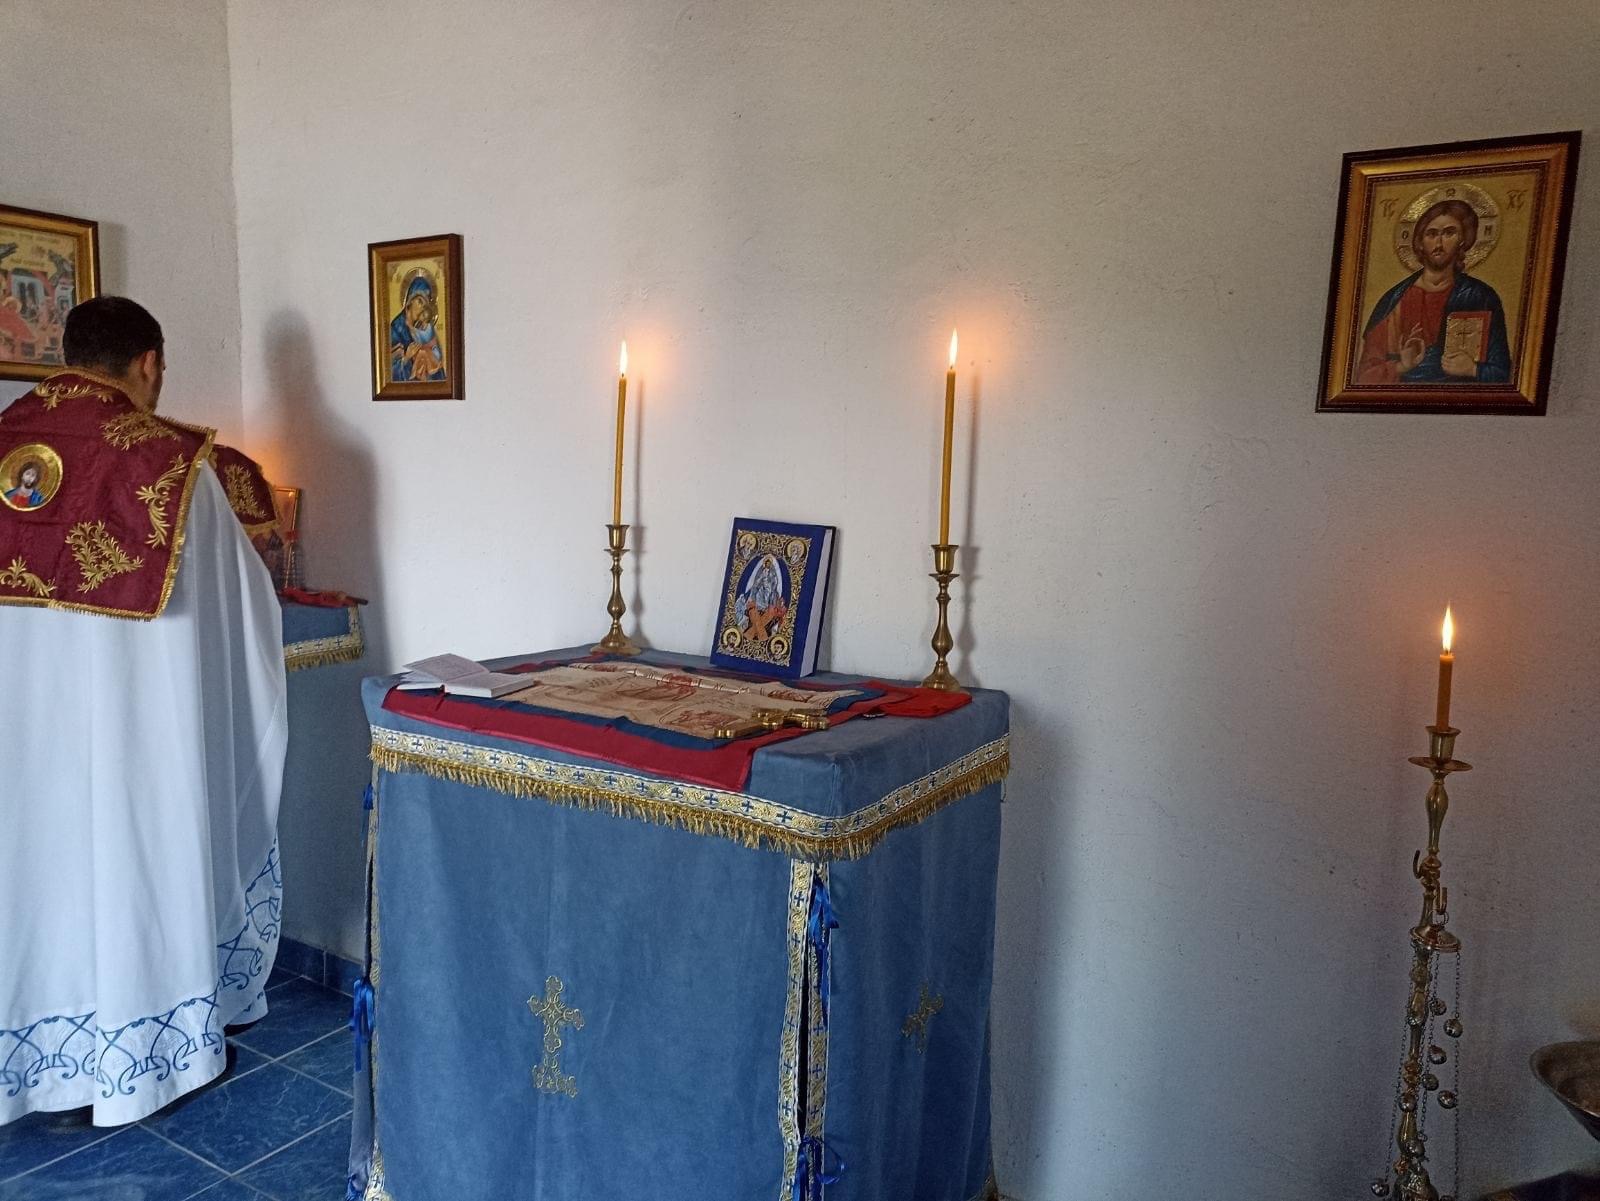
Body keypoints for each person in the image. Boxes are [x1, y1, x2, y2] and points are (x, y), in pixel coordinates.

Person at [0, 296, 287, 1126]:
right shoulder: (174, 465)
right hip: (130, 734)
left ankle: (34, 1065)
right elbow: (240, 613)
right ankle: (145, 1058)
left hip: (21, 739)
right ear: (149, 362)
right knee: (133, 860)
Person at [1357, 198, 1512, 385]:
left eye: (1449, 233)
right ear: (1420, 242)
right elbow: (1364, 376)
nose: (1439, 243)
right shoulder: (1395, 301)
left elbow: (1503, 373)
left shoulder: (1480, 297)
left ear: (1463, 240)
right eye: (1431, 234)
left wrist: (1473, 369)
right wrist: (1401, 366)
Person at [389, 271, 446, 382]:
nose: (422, 308)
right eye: (420, 301)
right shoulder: (396, 329)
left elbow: (439, 366)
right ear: (410, 300)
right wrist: (406, 358)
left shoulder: (425, 327)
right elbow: (389, 372)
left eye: (425, 305)